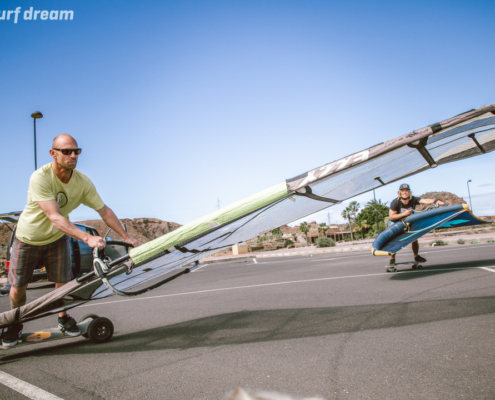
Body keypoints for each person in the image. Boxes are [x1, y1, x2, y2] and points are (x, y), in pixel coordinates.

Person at [2, 134, 139, 347]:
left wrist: (126, 237)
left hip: (56, 239)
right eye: (67, 151)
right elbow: (55, 217)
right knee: (18, 287)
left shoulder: (82, 182)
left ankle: (63, 319)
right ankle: (14, 323)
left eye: (77, 151)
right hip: (28, 238)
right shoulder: (41, 177)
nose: (73, 155)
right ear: (53, 154)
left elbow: (104, 211)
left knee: (63, 284)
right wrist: (88, 238)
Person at [388, 183, 444, 267]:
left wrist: (436, 201)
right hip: (396, 221)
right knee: (395, 239)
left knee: (414, 237)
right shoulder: (395, 202)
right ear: (399, 192)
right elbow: (391, 217)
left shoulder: (413, 199)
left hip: (407, 220)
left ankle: (416, 256)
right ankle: (392, 259)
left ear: (409, 192)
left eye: (406, 190)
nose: (405, 192)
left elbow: (425, 201)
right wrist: (404, 214)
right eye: (403, 190)